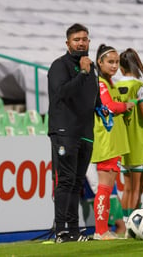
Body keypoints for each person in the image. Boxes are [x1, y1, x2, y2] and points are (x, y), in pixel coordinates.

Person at [48, 23, 104, 243]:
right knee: (66, 181)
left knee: (77, 181)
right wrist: (82, 72)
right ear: (68, 43)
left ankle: (73, 230)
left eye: (84, 39)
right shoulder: (59, 66)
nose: (81, 43)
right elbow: (61, 93)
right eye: (76, 39)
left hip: (85, 132)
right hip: (64, 131)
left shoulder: (91, 69)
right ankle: (61, 230)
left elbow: (94, 98)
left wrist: (103, 110)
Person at [90, 44, 135, 240]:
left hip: (114, 141)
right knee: (104, 187)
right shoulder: (100, 83)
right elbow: (108, 106)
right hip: (106, 140)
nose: (115, 65)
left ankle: (104, 230)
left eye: (117, 62)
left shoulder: (110, 83)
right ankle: (101, 230)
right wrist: (126, 105)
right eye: (110, 62)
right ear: (100, 62)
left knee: (108, 188)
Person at [115, 48, 143, 232]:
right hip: (139, 141)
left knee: (127, 187)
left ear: (121, 68)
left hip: (122, 142)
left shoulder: (115, 87)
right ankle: (133, 227)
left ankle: (126, 224)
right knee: (137, 187)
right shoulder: (140, 87)